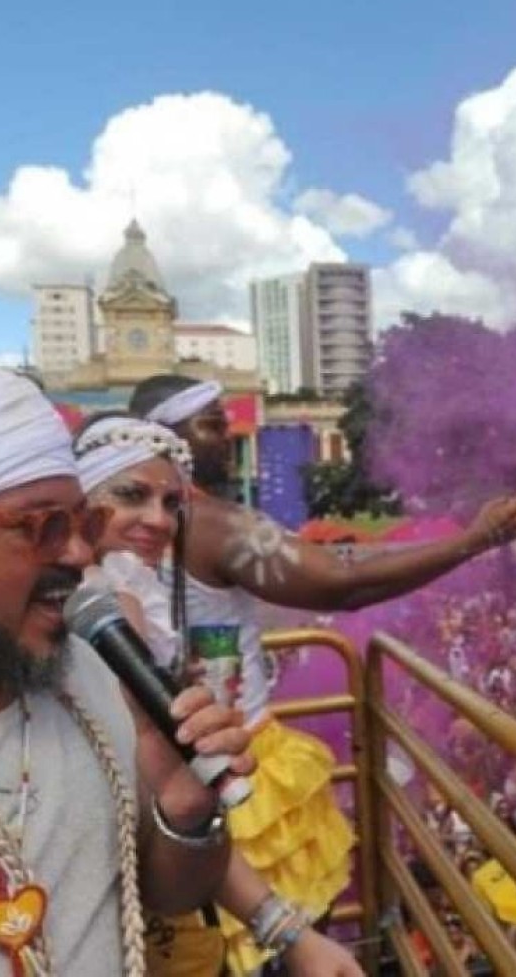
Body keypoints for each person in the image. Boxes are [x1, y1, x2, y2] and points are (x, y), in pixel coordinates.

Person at [130, 374, 516, 970]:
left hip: (160, 769)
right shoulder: (208, 521)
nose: (228, 435)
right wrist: (477, 539)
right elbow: (344, 583)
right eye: (212, 424)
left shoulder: (114, 525)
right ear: (169, 441)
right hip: (233, 765)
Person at [0, 369, 254, 976]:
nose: (79, 554)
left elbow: (170, 895)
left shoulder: (87, 673)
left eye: (82, 525)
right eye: (43, 525)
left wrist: (184, 813)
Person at [73, 413, 363, 976]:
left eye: (172, 503)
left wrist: (288, 933)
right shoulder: (92, 609)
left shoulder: (125, 598)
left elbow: (171, 798)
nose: (158, 521)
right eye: (132, 495)